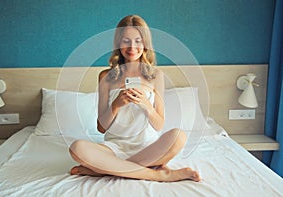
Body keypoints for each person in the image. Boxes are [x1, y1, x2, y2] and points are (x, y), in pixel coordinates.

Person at [69, 15, 200, 182]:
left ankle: (105, 169)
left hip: (147, 147)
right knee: (76, 148)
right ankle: (158, 174)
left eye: (138, 41)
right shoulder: (106, 76)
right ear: (118, 43)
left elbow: (159, 125)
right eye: (126, 41)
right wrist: (116, 105)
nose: (132, 47)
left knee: (178, 136)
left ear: (145, 43)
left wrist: (146, 105)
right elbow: (101, 128)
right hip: (113, 148)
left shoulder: (156, 75)